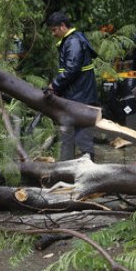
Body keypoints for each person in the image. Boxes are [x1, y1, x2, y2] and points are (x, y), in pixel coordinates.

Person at [47, 11, 98, 161]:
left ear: (62, 26)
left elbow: (71, 69)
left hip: (80, 96)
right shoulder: (72, 40)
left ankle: (88, 167)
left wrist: (54, 85)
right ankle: (66, 166)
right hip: (77, 94)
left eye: (54, 30)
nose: (53, 34)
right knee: (69, 133)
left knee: (82, 134)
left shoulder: (73, 42)